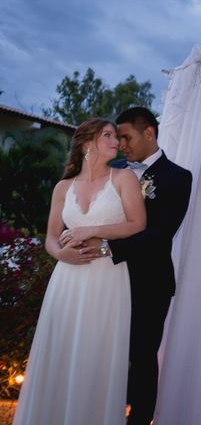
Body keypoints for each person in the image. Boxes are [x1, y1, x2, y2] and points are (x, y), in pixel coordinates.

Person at [13, 119, 146, 425]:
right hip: (67, 278)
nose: (117, 142)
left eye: (116, 136)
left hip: (107, 278)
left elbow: (138, 224)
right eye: (109, 136)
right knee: (60, 348)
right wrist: (61, 254)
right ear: (88, 144)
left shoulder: (124, 179)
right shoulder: (63, 187)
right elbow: (50, 236)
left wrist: (92, 229)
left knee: (95, 353)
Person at [82, 107, 192, 425]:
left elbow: (159, 235)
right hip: (106, 279)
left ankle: (139, 420)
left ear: (149, 133)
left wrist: (105, 247)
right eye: (118, 138)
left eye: (126, 137)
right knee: (103, 353)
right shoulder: (112, 170)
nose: (122, 145)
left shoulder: (177, 177)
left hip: (149, 282)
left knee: (141, 356)